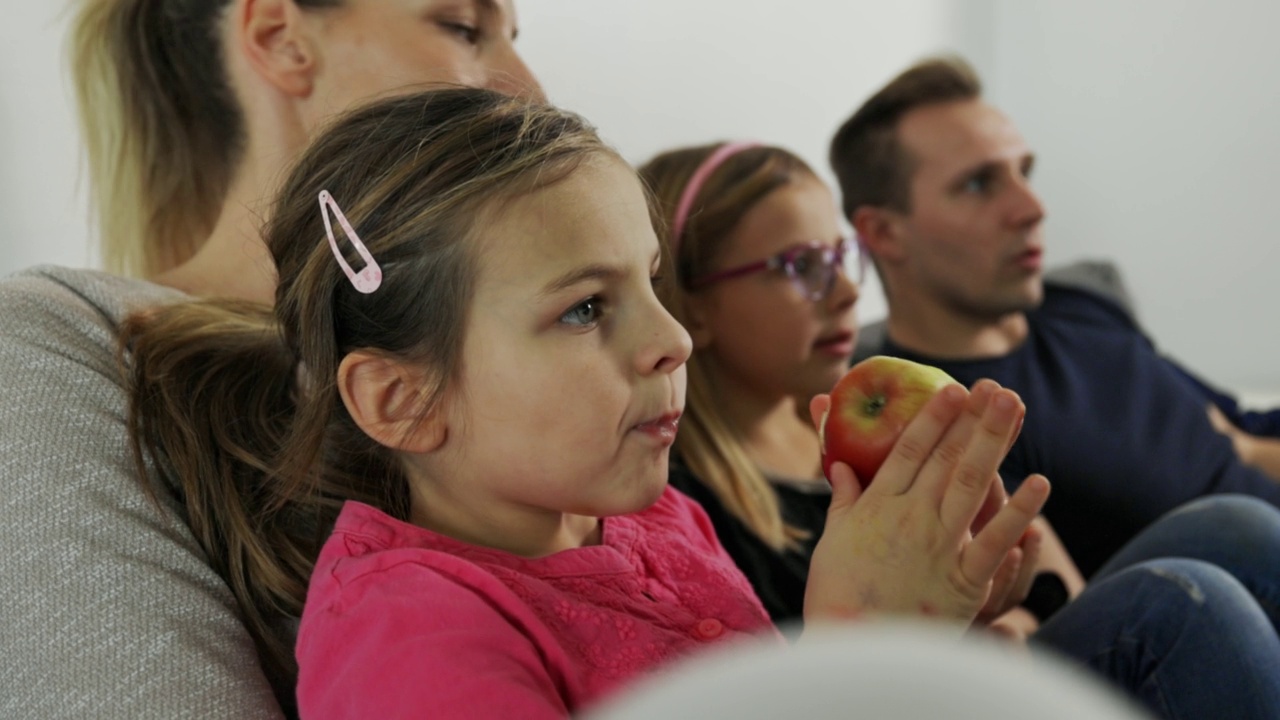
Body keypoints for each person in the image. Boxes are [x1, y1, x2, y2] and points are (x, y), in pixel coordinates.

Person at [122, 87, 1054, 718]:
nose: (673, 339)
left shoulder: (658, 519)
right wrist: (857, 648)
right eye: (584, 309)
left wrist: (928, 626)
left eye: (651, 282)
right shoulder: (408, 632)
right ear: (402, 399)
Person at [0, 1, 538, 717]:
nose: (530, 90)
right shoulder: (61, 337)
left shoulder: (529, 359)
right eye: (463, 28)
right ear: (282, 40)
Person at [639, 138, 1280, 719]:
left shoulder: (880, 407)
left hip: (1000, 668)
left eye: (842, 256)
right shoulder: (686, 506)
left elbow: (1053, 576)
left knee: (1235, 524)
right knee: (1184, 604)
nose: (844, 293)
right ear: (694, 307)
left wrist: (1004, 616)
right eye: (801, 266)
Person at [828, 55, 1280, 577]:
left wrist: (1245, 443)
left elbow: (1238, 437)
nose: (1032, 207)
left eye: (1024, 172)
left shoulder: (1081, 305)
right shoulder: (945, 422)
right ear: (884, 233)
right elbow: (1077, 616)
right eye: (978, 184)